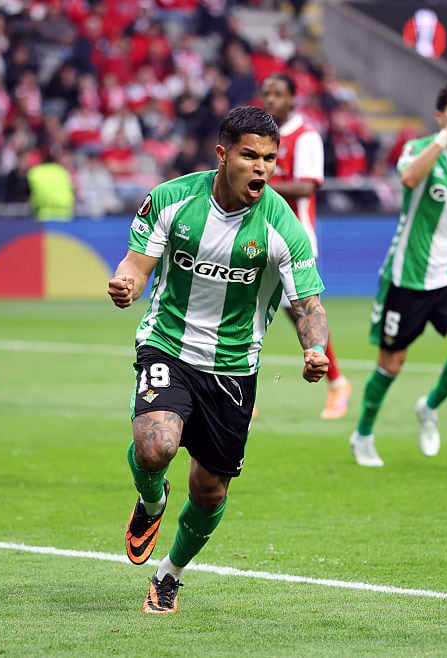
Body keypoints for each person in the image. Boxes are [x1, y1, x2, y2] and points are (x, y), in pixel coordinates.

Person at [108, 106, 331, 614]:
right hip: (167, 344)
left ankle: (170, 574)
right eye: (250, 155)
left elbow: (309, 306)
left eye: (271, 159)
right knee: (155, 445)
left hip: (233, 368)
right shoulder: (171, 199)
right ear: (223, 154)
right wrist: (126, 284)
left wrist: (313, 347)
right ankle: (151, 502)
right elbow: (136, 265)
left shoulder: (282, 227)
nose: (262, 168)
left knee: (209, 491)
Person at [349, 80, 447, 468]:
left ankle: (428, 407)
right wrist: (445, 136)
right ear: (441, 116)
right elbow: (410, 179)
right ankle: (362, 434)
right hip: (407, 275)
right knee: (391, 364)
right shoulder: (419, 150)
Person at [260, 72, 352, 420]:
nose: (270, 99)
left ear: (293, 99)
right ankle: (238, 394)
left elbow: (307, 187)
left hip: (294, 239)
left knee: (304, 313)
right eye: (266, 92)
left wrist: (256, 186)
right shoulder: (259, 136)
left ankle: (338, 382)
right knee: (242, 310)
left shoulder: (306, 135)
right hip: (256, 238)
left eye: (278, 93)